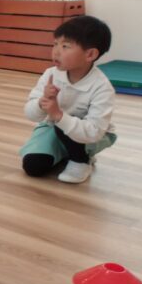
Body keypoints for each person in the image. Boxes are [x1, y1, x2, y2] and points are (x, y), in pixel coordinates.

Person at [21, 15, 116, 183]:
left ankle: (81, 159)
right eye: (55, 44)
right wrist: (42, 102)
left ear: (90, 54)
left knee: (63, 125)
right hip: (54, 128)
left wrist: (58, 115)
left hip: (90, 137)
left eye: (65, 46)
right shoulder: (50, 74)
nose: (56, 51)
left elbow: (94, 132)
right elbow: (30, 114)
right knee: (33, 166)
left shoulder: (102, 87)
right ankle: (66, 152)